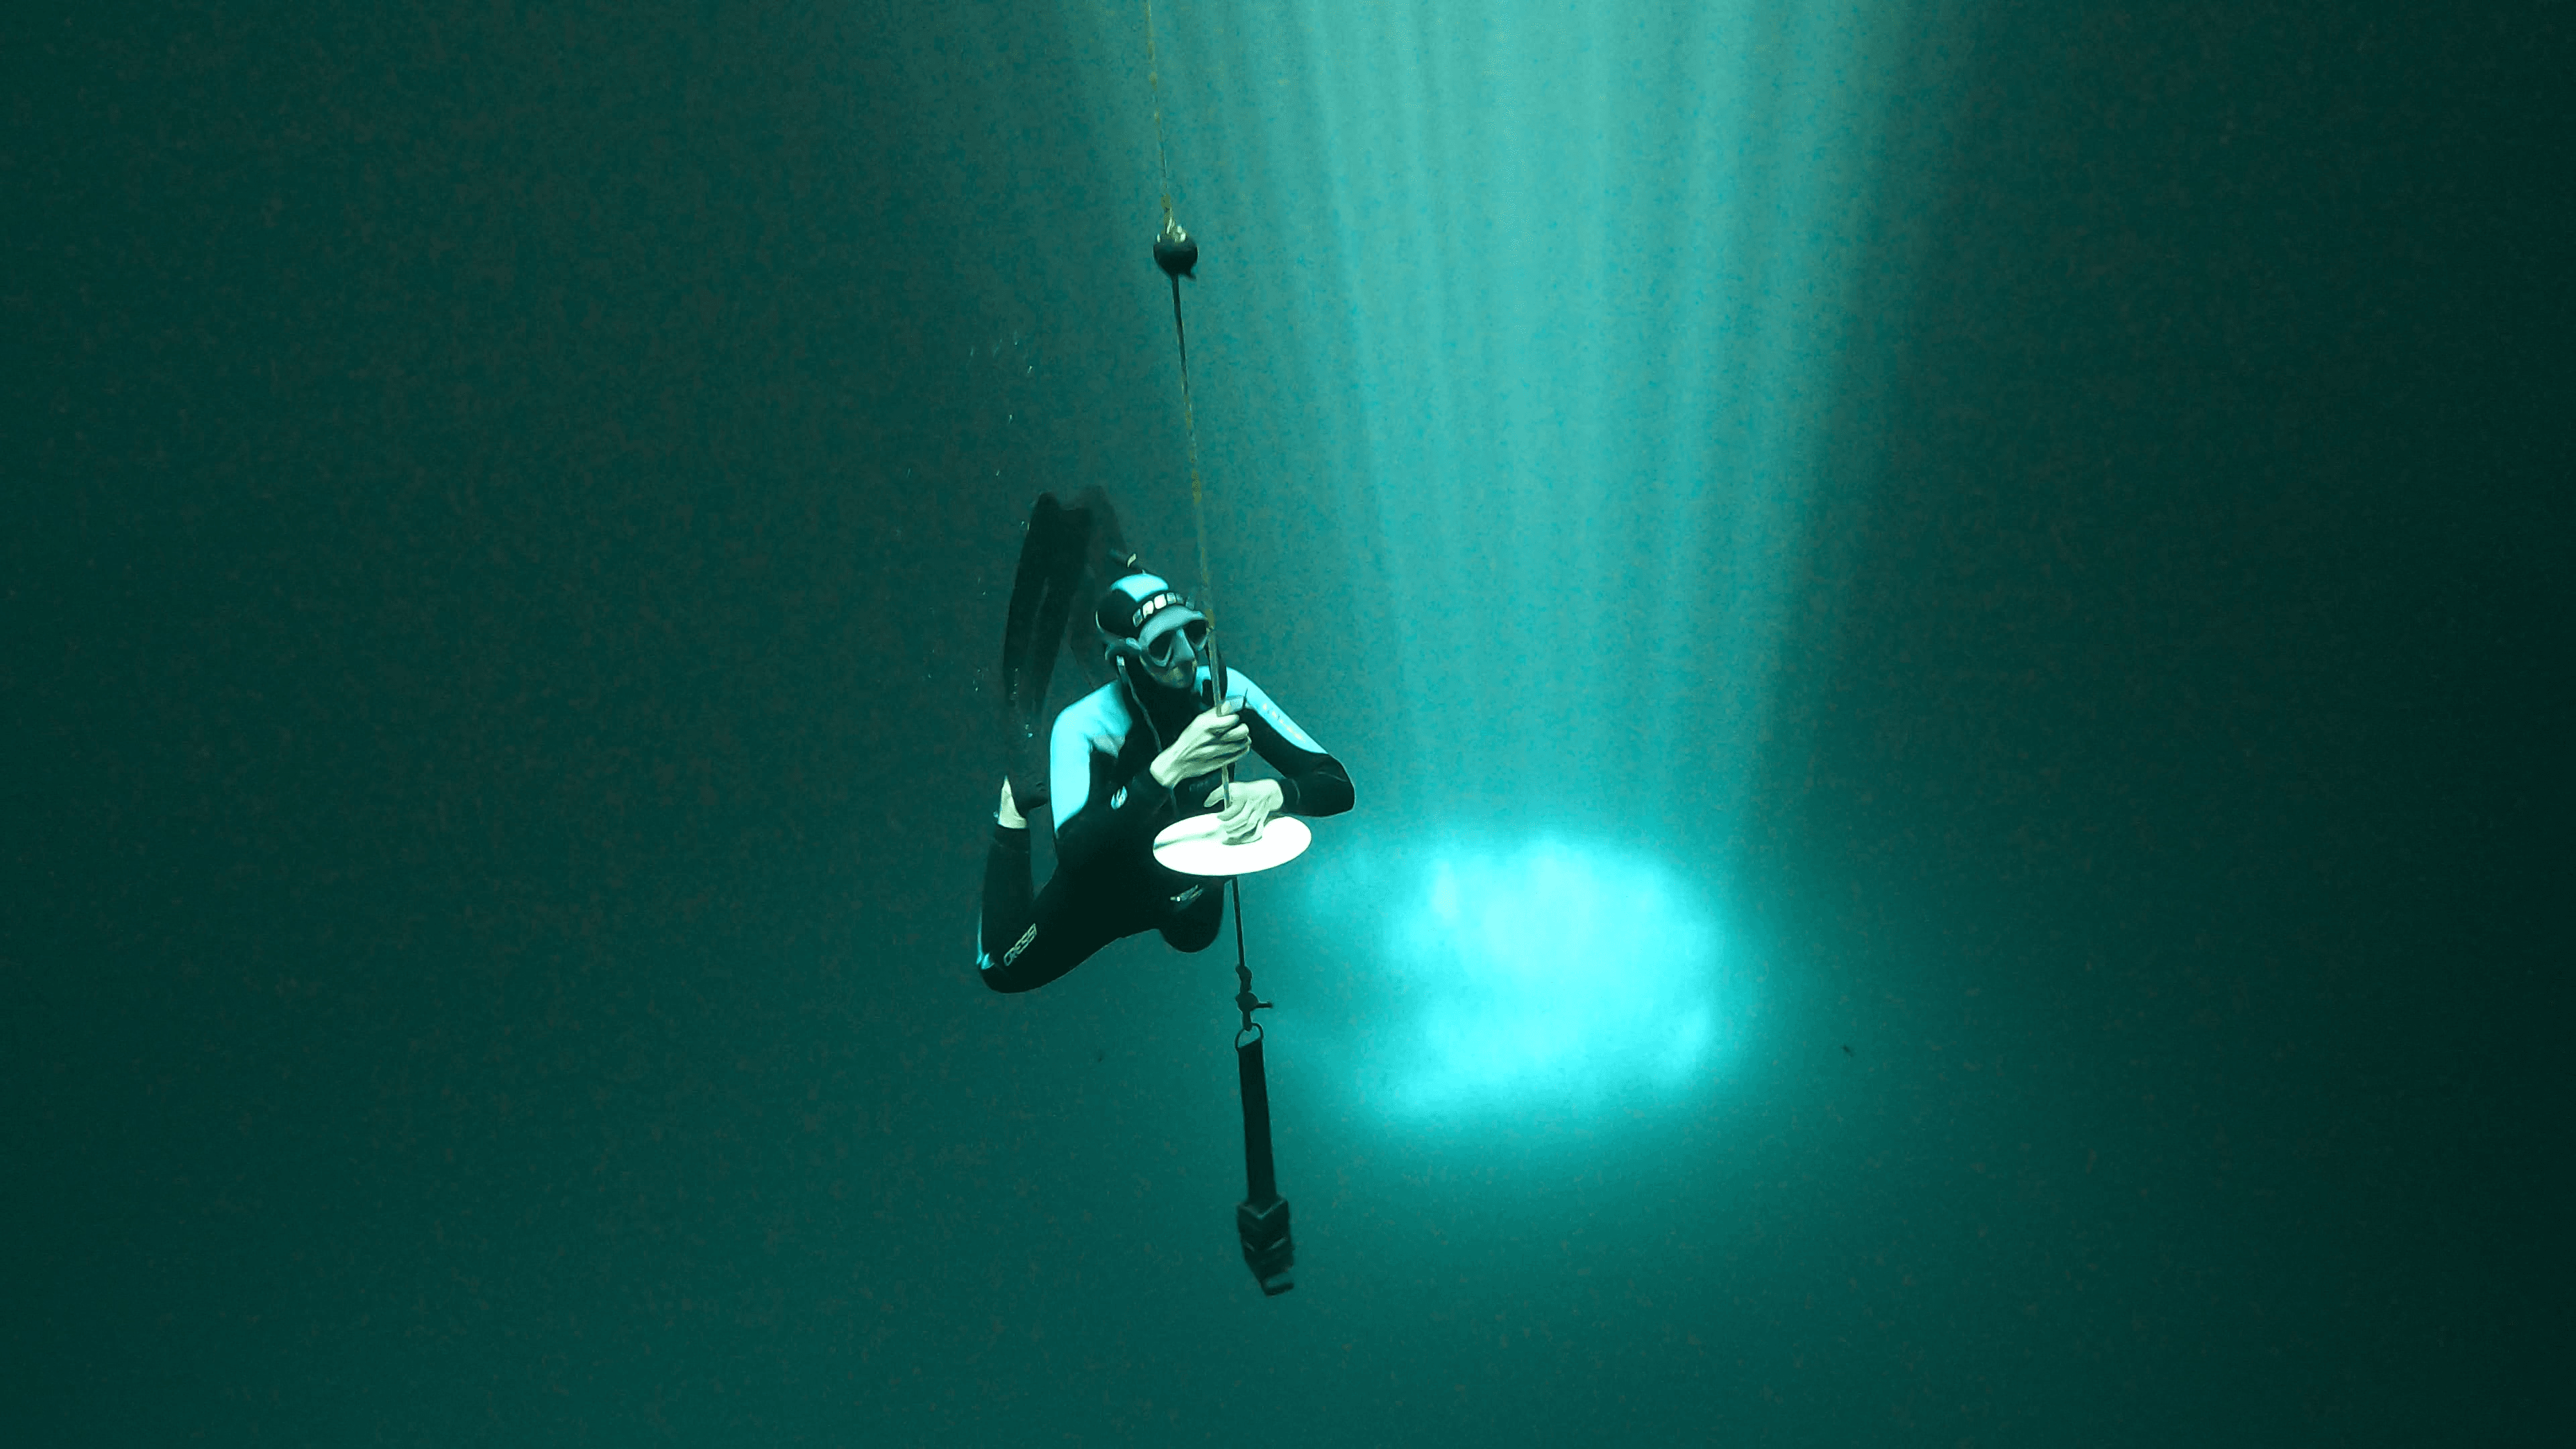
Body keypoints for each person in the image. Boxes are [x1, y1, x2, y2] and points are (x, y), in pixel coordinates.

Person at [975, 497, 1354, 994]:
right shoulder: (1080, 727)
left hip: (1190, 880)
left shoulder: (1223, 689)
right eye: (1160, 648)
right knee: (1002, 971)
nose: (1185, 659)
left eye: (1193, 634)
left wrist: (1276, 795)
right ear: (1126, 659)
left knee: (1196, 936)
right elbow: (1076, 856)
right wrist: (1168, 768)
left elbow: (1335, 783)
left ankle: (1115, 611)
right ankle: (1010, 811)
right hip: (1107, 892)